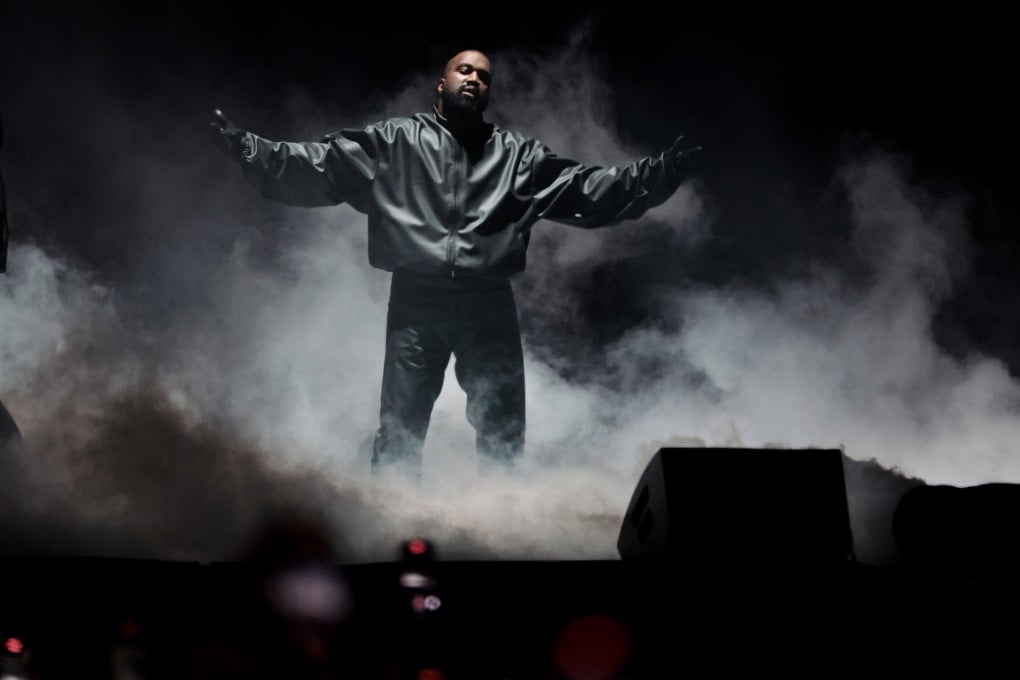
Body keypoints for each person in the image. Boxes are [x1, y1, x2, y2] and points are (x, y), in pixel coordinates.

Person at [211, 49, 699, 478]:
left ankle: (503, 530)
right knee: (400, 428)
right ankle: (388, 526)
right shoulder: (396, 142)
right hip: (416, 304)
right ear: (441, 84)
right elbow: (320, 164)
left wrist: (659, 174)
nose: (474, 79)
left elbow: (588, 188)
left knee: (503, 430)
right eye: (465, 70)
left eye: (484, 76)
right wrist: (251, 149)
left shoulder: (516, 157)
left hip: (488, 305)